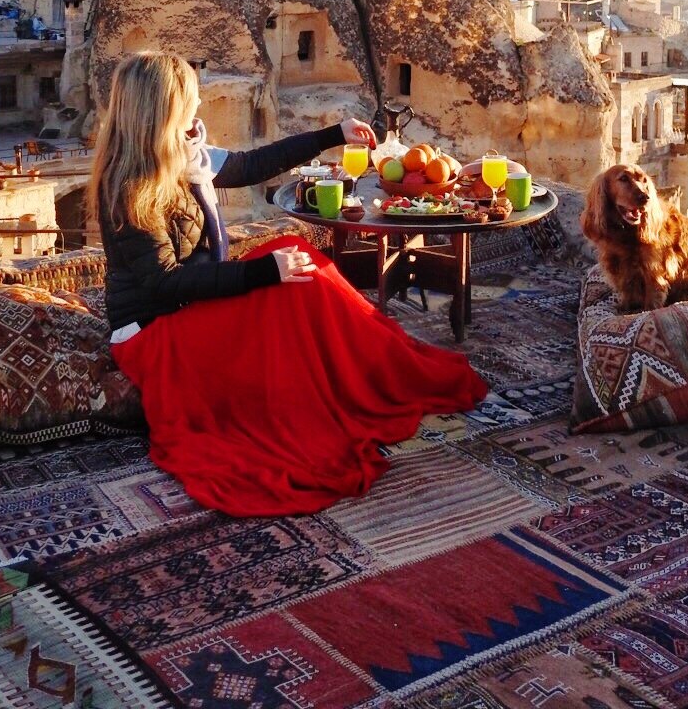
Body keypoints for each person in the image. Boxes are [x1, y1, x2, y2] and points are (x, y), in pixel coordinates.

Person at [91, 51, 487, 515]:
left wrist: (331, 136)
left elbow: (251, 165)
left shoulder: (184, 155)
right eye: (189, 108)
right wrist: (264, 273)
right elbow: (164, 285)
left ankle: (380, 370)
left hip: (186, 306)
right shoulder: (130, 184)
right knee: (288, 281)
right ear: (162, 112)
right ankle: (369, 381)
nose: (196, 115)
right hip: (156, 333)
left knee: (304, 263)